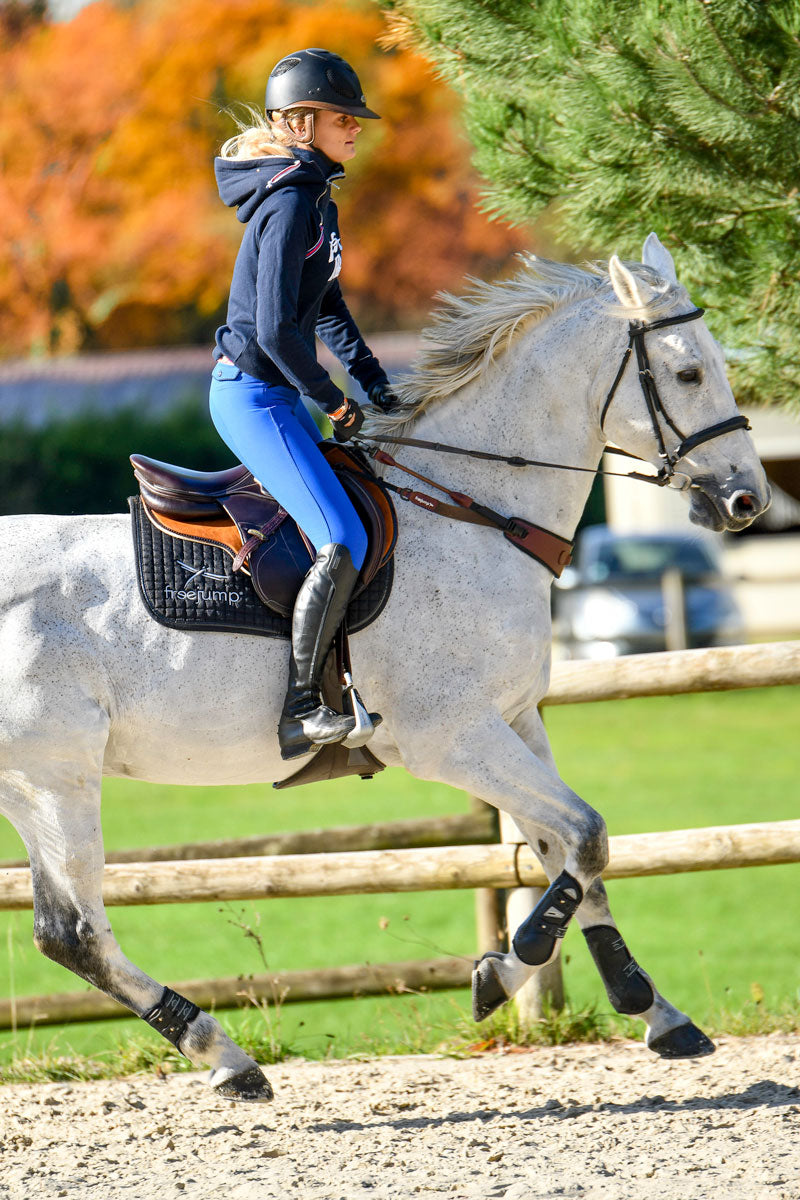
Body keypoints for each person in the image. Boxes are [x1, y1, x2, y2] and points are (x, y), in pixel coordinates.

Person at [209, 47, 398, 761]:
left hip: (280, 393)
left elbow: (326, 308)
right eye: (344, 117)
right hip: (254, 396)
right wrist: (333, 401)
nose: (357, 128)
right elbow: (271, 330)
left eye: (356, 118)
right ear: (300, 121)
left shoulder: (316, 194)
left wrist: (373, 380)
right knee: (342, 537)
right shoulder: (289, 201)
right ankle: (299, 709)